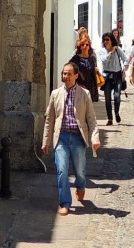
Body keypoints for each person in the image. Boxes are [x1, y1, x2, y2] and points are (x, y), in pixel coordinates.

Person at [41, 62, 100, 215]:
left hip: (78, 137)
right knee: (62, 170)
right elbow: (50, 120)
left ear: (75, 75)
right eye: (63, 73)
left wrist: (95, 138)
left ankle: (80, 186)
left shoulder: (84, 94)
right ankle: (65, 203)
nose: (65, 77)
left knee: (80, 171)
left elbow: (91, 119)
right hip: (61, 136)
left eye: (68, 74)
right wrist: (46, 141)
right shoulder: (55, 94)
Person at [97, 32, 126, 125]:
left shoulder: (118, 49)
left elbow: (126, 59)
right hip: (107, 76)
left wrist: (124, 71)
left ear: (111, 40)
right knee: (107, 98)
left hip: (117, 75)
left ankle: (116, 112)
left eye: (107, 40)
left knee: (117, 96)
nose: (106, 42)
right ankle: (110, 118)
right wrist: (111, 52)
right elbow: (104, 60)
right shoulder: (102, 51)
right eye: (104, 40)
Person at [70, 35, 100, 102]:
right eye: (82, 45)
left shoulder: (92, 58)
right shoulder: (75, 58)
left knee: (88, 108)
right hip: (79, 85)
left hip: (90, 86)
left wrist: (96, 70)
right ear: (79, 47)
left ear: (89, 46)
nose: (85, 46)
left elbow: (94, 70)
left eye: (87, 45)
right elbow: (70, 69)